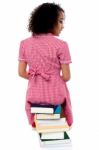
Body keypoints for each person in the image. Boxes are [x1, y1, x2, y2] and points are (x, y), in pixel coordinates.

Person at [18, 2, 73, 128]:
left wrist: (36, 77)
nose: (62, 26)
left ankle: (37, 123)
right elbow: (66, 76)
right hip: (56, 97)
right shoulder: (62, 45)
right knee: (63, 98)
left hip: (33, 96)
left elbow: (21, 73)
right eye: (60, 21)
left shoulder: (24, 43)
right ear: (50, 22)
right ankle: (63, 122)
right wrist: (52, 77)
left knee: (38, 117)